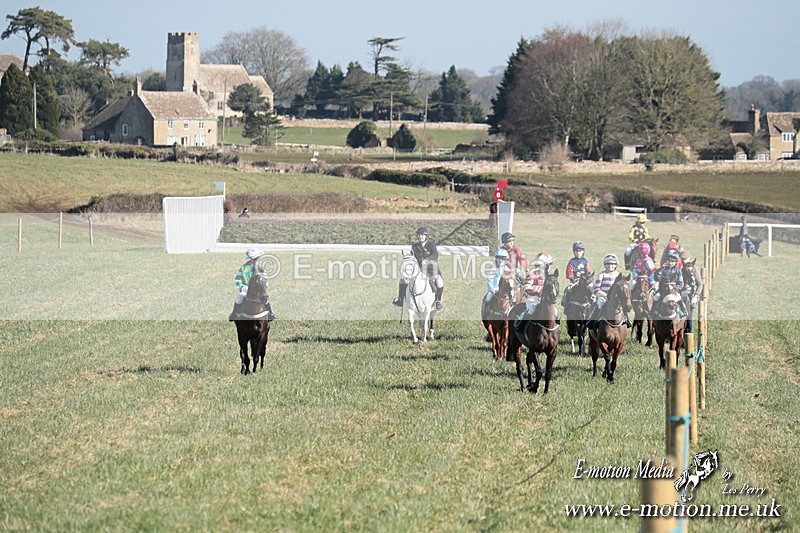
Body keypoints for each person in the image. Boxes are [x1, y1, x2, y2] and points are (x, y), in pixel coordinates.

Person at [393, 226, 444, 310]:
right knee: (403, 279)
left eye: (423, 235)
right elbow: (412, 257)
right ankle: (400, 300)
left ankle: (438, 301)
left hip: (431, 269)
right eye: (419, 235)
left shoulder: (432, 245)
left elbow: (435, 255)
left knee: (439, 280)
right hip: (418, 270)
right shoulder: (414, 246)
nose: (421, 237)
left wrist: (427, 259)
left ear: (426, 236)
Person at [587, 253, 631, 329]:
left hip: (615, 298)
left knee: (622, 306)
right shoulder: (601, 275)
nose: (610, 266)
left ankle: (627, 320)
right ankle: (592, 321)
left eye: (613, 264)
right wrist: (604, 295)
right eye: (608, 264)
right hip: (603, 297)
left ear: (616, 265)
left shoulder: (619, 275)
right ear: (605, 265)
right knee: (599, 306)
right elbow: (596, 289)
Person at [231, 248, 276, 321]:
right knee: (239, 299)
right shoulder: (243, 268)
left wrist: (263, 287)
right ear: (252, 259)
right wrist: (242, 288)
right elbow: (238, 279)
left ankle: (271, 313)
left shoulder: (260, 269)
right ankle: (234, 314)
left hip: (259, 290)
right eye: (257, 258)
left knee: (265, 299)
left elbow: (265, 279)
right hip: (246, 289)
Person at [654, 250, 686, 317]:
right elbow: (657, 279)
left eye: (672, 261)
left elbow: (681, 283)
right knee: (656, 297)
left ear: (675, 262)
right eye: (669, 261)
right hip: (663, 290)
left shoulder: (678, 271)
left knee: (678, 297)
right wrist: (660, 272)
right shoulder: (661, 270)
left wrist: (675, 289)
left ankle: (682, 310)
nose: (670, 263)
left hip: (674, 290)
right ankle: (653, 311)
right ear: (666, 261)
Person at [680, 251, 703, 333]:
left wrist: (696, 296)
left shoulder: (694, 269)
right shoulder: (681, 270)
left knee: (688, 321)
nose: (683, 261)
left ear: (689, 258)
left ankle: (688, 341)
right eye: (682, 259)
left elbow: (700, 284)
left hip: (690, 297)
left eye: (685, 259)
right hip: (681, 296)